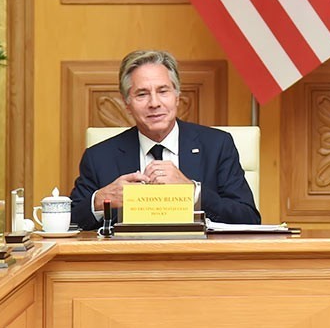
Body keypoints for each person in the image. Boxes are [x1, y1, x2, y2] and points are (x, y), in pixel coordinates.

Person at [69, 49, 260, 229]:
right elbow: (70, 222)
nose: (154, 103)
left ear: (177, 96)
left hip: (198, 252)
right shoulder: (99, 157)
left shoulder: (217, 146)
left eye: (163, 91)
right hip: (128, 253)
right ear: (127, 103)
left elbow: (248, 218)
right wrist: (99, 201)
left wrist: (193, 193)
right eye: (142, 94)